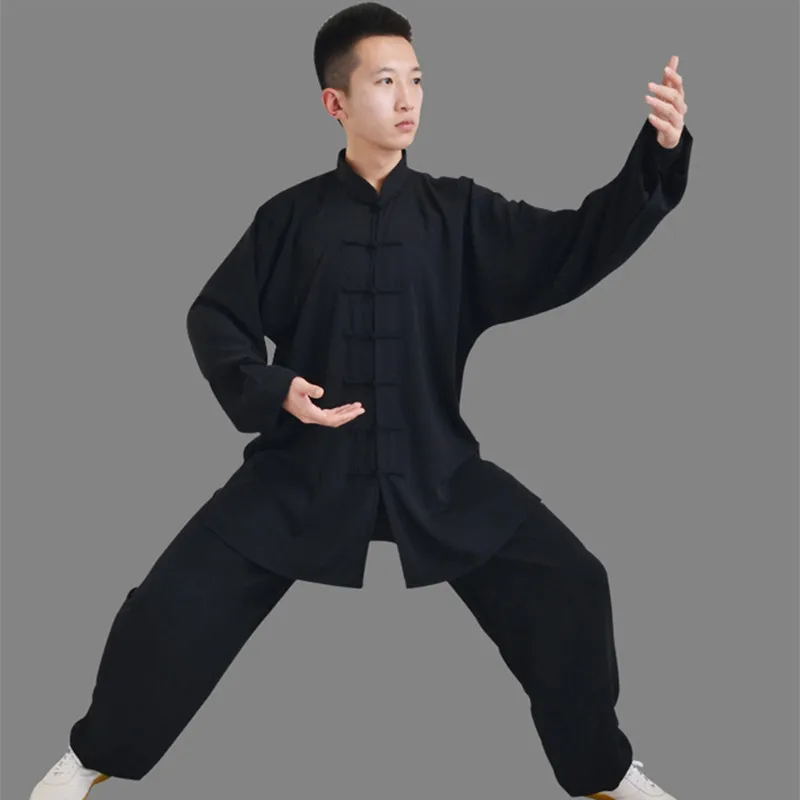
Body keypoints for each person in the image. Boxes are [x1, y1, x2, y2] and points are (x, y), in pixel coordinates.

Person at [29, 4, 692, 799]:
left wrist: (657, 154)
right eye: (384, 82)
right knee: (168, 608)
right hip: (302, 471)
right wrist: (275, 388)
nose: (408, 99)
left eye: (417, 80)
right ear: (335, 103)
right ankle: (94, 755)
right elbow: (215, 317)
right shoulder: (288, 218)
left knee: (574, 583)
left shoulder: (459, 215)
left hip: (434, 469)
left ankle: (602, 773)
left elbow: (573, 241)